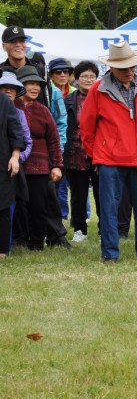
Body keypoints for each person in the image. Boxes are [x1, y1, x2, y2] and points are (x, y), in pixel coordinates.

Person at [80, 40, 137, 263]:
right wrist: (98, 154)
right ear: (112, 67)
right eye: (124, 67)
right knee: (109, 209)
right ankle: (110, 253)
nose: (129, 71)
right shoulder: (98, 89)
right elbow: (86, 127)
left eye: (132, 66)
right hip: (110, 161)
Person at [14, 66, 66, 251]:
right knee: (18, 206)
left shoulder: (43, 110)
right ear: (20, 85)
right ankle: (19, 240)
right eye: (30, 84)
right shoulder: (10, 107)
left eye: (38, 84)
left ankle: (36, 242)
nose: (35, 88)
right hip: (15, 165)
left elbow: (54, 140)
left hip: (40, 166)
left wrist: (57, 166)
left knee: (39, 206)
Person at [63, 61, 101, 242]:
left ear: (97, 78)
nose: (88, 79)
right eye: (84, 76)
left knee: (103, 194)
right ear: (76, 79)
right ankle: (79, 230)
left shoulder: (104, 97)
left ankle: (105, 229)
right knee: (78, 195)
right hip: (76, 154)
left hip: (100, 154)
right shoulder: (69, 100)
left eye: (91, 76)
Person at [0, 72, 27, 258]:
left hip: (2, 160)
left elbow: (15, 131)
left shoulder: (4, 101)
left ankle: (2, 250)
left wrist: (15, 156)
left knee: (2, 206)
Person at [47, 57, 75, 220]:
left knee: (75, 185)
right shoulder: (46, 90)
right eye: (58, 72)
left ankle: (81, 216)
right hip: (55, 146)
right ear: (51, 75)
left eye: (66, 71)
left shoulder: (73, 92)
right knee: (58, 185)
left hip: (71, 145)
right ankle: (60, 216)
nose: (63, 75)